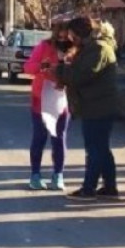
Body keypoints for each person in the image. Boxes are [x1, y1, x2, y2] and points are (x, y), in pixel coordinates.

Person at [59, 17, 121, 201]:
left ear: (81, 33)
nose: (71, 39)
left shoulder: (99, 48)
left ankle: (89, 188)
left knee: (94, 149)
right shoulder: (93, 48)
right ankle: (110, 187)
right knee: (101, 148)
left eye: (72, 34)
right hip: (96, 104)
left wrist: (59, 71)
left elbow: (81, 75)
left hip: (98, 105)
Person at [23, 15, 72, 191]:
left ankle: (58, 175)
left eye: (66, 32)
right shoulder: (44, 46)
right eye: (59, 31)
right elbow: (28, 67)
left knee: (59, 138)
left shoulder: (76, 50)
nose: (62, 36)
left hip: (63, 100)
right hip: (41, 99)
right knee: (39, 137)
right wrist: (42, 67)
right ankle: (35, 175)